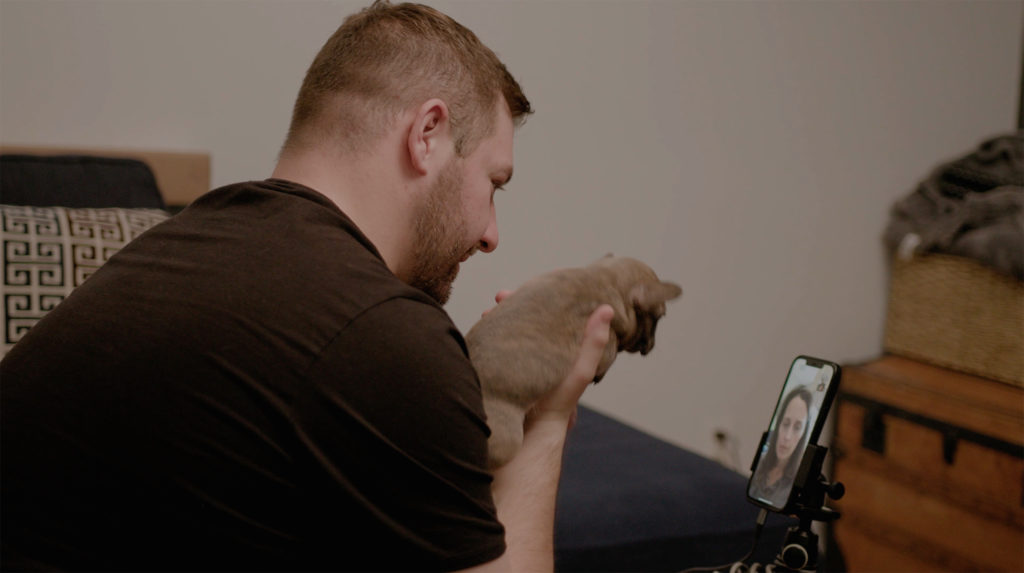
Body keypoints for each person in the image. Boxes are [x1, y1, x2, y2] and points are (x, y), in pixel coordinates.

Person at [0, 2, 613, 571]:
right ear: (427, 134)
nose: (490, 235)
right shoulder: (381, 331)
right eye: (493, 183)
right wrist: (549, 414)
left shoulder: (182, 249)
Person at [748, 386, 812, 510]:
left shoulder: (798, 483)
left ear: (803, 435)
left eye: (797, 428)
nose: (787, 436)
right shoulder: (761, 464)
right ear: (778, 425)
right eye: (786, 424)